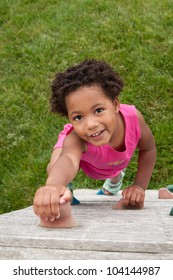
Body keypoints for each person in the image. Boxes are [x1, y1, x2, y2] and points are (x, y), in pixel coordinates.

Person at [33, 59, 156, 227]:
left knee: (115, 168)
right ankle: (65, 189)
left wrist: (140, 187)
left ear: (115, 104)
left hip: (113, 163)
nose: (90, 124)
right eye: (78, 117)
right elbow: (68, 159)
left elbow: (148, 149)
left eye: (98, 110)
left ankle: (112, 185)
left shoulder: (134, 119)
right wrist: (54, 186)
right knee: (55, 166)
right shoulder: (77, 138)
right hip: (84, 157)